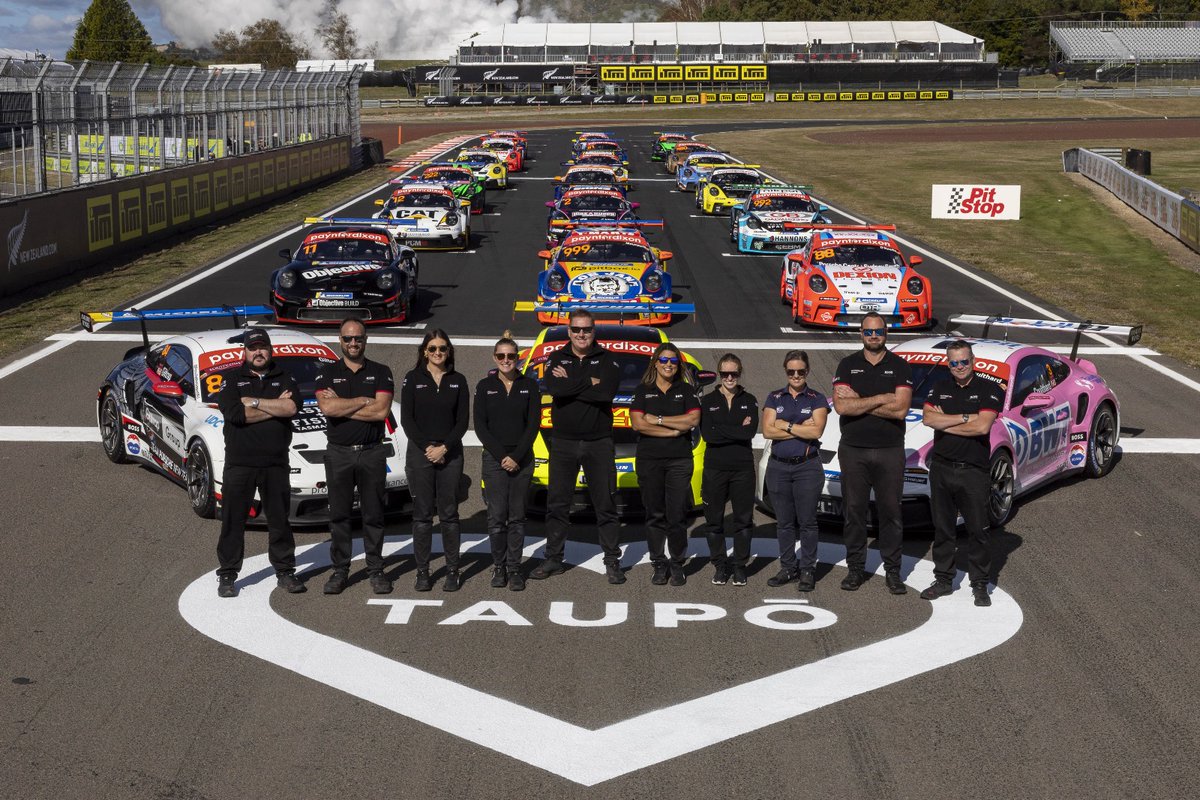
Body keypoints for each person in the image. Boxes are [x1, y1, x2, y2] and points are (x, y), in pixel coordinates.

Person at [532, 308, 625, 584]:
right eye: (576, 329)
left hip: (599, 442)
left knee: (605, 505)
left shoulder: (608, 359)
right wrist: (589, 382)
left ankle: (612, 561)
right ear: (569, 331)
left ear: (593, 331)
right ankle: (553, 559)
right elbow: (554, 389)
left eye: (586, 329)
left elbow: (606, 393)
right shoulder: (556, 358)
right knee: (557, 504)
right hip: (562, 442)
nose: (581, 334)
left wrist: (572, 381)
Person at [215, 327, 303, 597]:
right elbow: (236, 415)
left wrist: (254, 402)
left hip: (275, 463)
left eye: (262, 347)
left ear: (270, 350)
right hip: (240, 464)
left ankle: (285, 572)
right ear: (245, 352)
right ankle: (228, 575)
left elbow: (291, 408)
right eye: (253, 348)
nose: (258, 352)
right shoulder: (231, 379)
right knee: (233, 520)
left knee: (279, 521)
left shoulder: (285, 377)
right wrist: (274, 407)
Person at [831, 313, 914, 594]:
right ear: (861, 334)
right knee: (853, 511)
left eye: (878, 331)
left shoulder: (901, 367)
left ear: (886, 333)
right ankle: (855, 569)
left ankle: (893, 571)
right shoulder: (848, 364)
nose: (874, 335)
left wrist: (859, 401)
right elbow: (842, 407)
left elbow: (901, 409)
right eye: (869, 331)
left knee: (891, 512)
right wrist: (881, 398)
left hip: (890, 450)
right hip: (853, 449)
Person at [919, 340, 1003, 607]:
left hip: (973, 472)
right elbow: (928, 419)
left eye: (964, 361)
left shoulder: (989, 388)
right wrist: (966, 417)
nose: (959, 367)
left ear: (973, 361)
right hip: (942, 467)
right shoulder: (940, 386)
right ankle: (943, 579)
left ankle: (980, 583)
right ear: (948, 363)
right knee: (943, 530)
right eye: (953, 362)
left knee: (977, 530)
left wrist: (948, 421)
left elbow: (982, 428)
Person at [315, 318, 396, 596]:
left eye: (358, 338)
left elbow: (381, 412)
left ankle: (376, 569)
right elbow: (328, 408)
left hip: (372, 451)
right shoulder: (326, 373)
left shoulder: (381, 371)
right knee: (339, 515)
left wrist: (344, 405)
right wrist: (364, 399)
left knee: (374, 514)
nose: (353, 343)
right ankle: (340, 570)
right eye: (348, 338)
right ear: (340, 340)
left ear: (365, 340)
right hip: (339, 454)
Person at [401, 330, 470, 592]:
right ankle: (423, 571)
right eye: (432, 349)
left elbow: (462, 422)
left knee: (450, 514)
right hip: (420, 453)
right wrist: (428, 447)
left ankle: (453, 570)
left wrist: (444, 448)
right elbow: (408, 420)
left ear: (449, 351)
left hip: (451, 452)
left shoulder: (459, 380)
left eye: (442, 348)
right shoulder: (412, 378)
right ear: (424, 352)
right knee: (422, 515)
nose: (438, 353)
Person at [631, 342, 701, 586]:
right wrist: (672, 431)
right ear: (656, 363)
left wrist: (658, 420)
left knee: (677, 515)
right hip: (649, 460)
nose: (669, 364)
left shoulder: (687, 390)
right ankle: (659, 563)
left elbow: (692, 420)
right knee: (654, 514)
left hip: (679, 461)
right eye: (664, 360)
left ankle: (677, 563)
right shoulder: (643, 390)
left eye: (673, 361)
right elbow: (638, 424)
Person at [474, 332, 540, 592]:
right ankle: (498, 567)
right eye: (501, 356)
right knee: (496, 517)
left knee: (517, 518)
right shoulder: (484, 386)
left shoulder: (530, 386)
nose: (506, 360)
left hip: (522, 459)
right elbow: (480, 426)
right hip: (494, 459)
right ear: (494, 358)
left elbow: (532, 424)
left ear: (517, 359)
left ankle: (514, 569)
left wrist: (516, 456)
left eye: (511, 356)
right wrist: (503, 456)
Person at [762, 351, 829, 592]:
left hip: (807, 466)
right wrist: (801, 427)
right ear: (786, 372)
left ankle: (808, 569)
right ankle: (788, 567)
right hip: (778, 466)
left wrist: (785, 424)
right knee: (784, 522)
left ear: (807, 371)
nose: (796, 375)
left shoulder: (817, 398)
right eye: (791, 371)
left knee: (808, 522)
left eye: (801, 371)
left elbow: (816, 432)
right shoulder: (774, 397)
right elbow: (767, 431)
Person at [699, 354, 759, 587]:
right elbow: (708, 435)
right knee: (713, 521)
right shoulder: (707, 401)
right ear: (719, 374)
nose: (730, 378)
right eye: (725, 374)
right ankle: (720, 566)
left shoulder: (750, 400)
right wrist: (734, 429)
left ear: (739, 373)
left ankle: (739, 567)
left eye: (734, 373)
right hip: (715, 468)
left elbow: (749, 433)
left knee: (743, 520)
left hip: (742, 468)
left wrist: (721, 428)